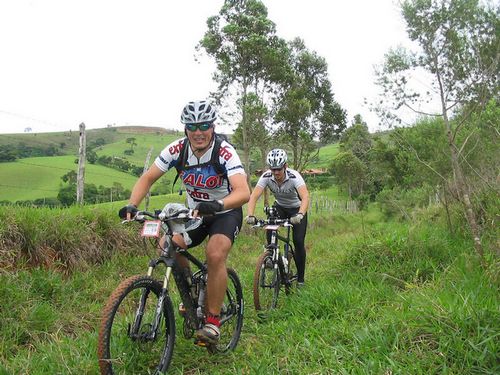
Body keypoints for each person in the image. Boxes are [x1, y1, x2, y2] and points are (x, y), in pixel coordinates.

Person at [119, 100, 250, 346]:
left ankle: (213, 320)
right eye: (192, 126)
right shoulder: (177, 150)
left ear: (212, 127)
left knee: (215, 254)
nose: (198, 132)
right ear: (185, 128)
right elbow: (148, 178)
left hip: (225, 212)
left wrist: (219, 204)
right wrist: (132, 205)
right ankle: (190, 293)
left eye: (204, 126)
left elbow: (244, 192)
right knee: (167, 245)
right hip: (196, 214)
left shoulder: (224, 152)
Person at [245, 148, 309, 287]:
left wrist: (300, 214)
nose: (276, 173)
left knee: (298, 242)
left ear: (285, 166)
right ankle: (271, 255)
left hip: (297, 208)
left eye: (279, 169)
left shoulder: (294, 176)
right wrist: (250, 214)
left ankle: (301, 279)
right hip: (280, 206)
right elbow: (254, 196)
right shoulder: (267, 176)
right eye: (273, 169)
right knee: (270, 223)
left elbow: (305, 197)